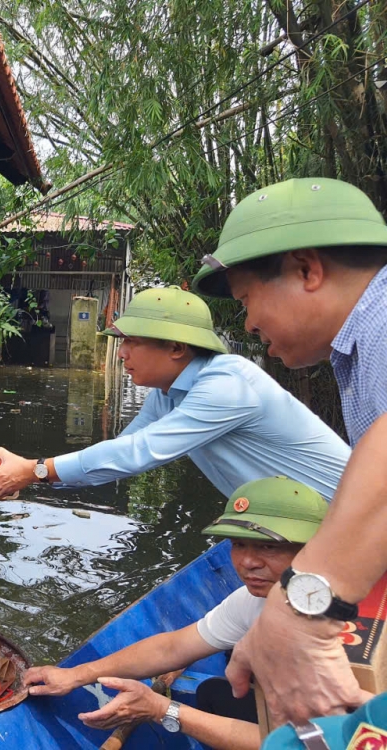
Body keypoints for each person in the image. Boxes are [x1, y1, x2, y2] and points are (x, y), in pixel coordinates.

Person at [191, 177, 387, 725]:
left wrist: (302, 607)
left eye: (248, 300)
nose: (249, 323)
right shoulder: (356, 350)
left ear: (307, 270)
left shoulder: (383, 320)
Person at [23, 476, 328, 750]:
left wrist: (162, 710)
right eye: (238, 544)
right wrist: (75, 675)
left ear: (313, 546)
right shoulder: (259, 598)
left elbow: (304, 744)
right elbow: (173, 647)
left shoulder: (337, 627)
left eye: (268, 548)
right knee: (212, 692)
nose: (247, 562)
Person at [0, 286, 349, 505]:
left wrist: (34, 469)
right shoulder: (169, 393)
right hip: (292, 522)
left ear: (176, 348)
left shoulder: (227, 385)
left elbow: (139, 453)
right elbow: (122, 450)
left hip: (349, 523)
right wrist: (26, 476)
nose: (121, 354)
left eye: (132, 342)